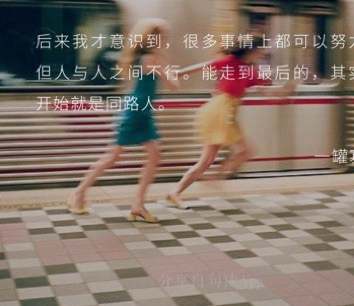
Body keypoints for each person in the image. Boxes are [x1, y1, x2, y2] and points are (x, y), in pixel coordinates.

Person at [67, 18, 179, 223]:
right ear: (153, 38)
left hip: (142, 111)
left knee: (153, 156)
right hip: (135, 112)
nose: (165, 40)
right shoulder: (150, 58)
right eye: (163, 36)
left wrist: (167, 70)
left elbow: (168, 81)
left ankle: (137, 204)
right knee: (113, 157)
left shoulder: (148, 58)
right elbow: (174, 85)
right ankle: (79, 193)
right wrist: (168, 70)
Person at [166, 32, 297, 209]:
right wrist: (177, 73)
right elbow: (205, 66)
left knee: (240, 153)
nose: (262, 54)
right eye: (261, 50)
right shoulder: (231, 61)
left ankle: (209, 180)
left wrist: (285, 94)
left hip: (227, 114)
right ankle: (195, 185)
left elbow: (267, 90)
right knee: (215, 158)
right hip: (219, 111)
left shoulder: (248, 70)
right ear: (252, 49)